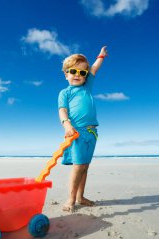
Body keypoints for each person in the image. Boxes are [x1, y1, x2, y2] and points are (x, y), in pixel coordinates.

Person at [58, 46, 108, 212]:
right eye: (73, 71)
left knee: (85, 166)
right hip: (77, 132)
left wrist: (101, 56)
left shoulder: (87, 87)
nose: (78, 75)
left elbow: (94, 67)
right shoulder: (65, 93)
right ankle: (71, 199)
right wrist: (67, 124)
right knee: (78, 166)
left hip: (92, 133)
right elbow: (62, 110)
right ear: (66, 74)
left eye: (82, 72)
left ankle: (80, 197)